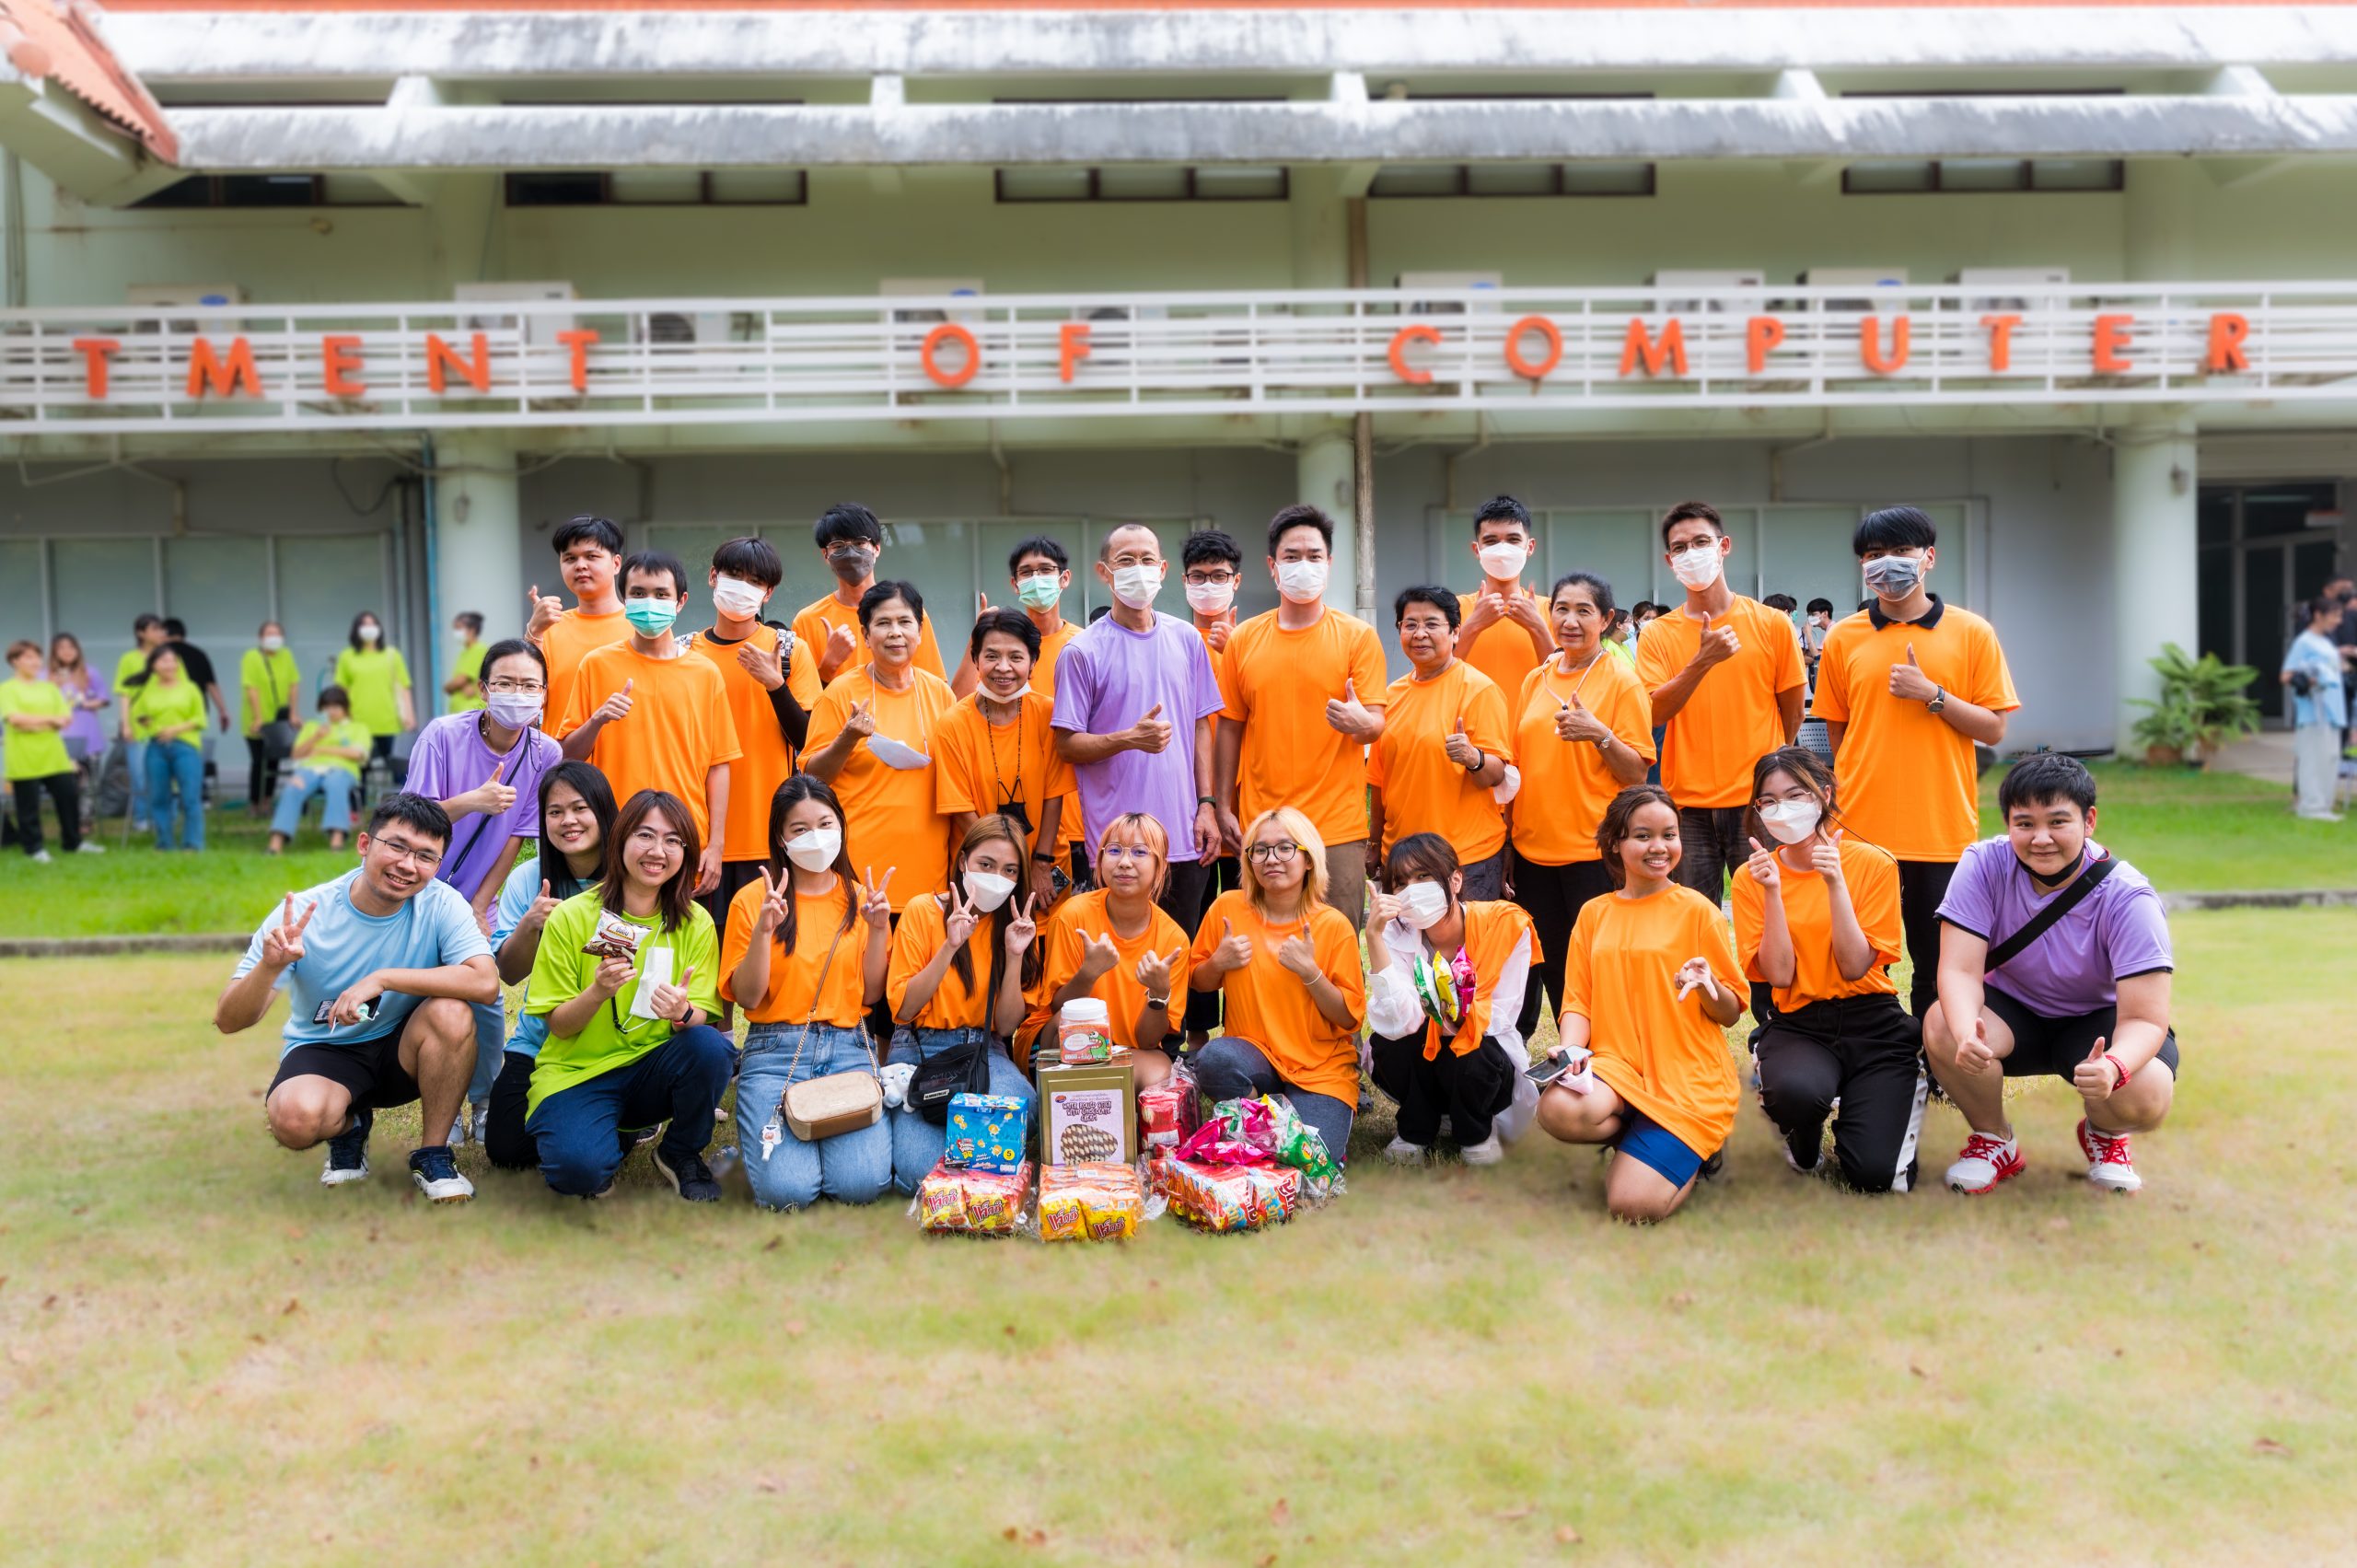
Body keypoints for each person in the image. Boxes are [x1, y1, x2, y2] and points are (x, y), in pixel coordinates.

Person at [216, 794, 497, 1202]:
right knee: (294, 1121)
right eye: (397, 846)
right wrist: (269, 967)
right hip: (326, 1048)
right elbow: (228, 1020)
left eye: (425, 856)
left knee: (452, 1012)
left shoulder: (441, 902)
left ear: (437, 866)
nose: (408, 865)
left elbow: (485, 982)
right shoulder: (305, 913)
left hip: (403, 1050)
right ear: (365, 844)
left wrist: (383, 979)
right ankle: (351, 1127)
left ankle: (434, 1154)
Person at [1922, 755, 2179, 1196]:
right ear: (2008, 824)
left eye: (2058, 822)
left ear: (2089, 820)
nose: (2041, 838)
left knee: (2147, 1092)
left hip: (2095, 1024)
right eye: (2025, 824)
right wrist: (1966, 1034)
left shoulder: (2129, 896)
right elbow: (1960, 971)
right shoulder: (1982, 864)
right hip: (2011, 1013)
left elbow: (2145, 1018)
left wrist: (2115, 1066)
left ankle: (2105, 1133)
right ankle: (1994, 1139)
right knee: (1943, 1023)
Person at [1815, 505, 2019, 1024]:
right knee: (1859, 960)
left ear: (1929, 557)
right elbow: (1839, 732)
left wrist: (1933, 695)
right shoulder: (1843, 637)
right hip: (1861, 829)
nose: (1888, 563)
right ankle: (1872, 1050)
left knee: (1938, 963)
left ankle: (1937, 1052)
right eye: (1874, 554)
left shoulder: (1972, 632)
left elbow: (1994, 728)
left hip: (1939, 828)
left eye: (1901, 551)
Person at [1530, 784, 1746, 1223]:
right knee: (1555, 1109)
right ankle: (1642, 1136)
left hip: (1685, 1076)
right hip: (1618, 1069)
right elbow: (1578, 1001)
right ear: (1615, 842)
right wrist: (1571, 1050)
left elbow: (1730, 1012)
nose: (1659, 847)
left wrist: (1708, 987)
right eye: (1643, 836)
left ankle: (1697, 1148)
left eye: (1669, 835)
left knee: (1632, 1208)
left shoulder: (1698, 911)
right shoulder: (1594, 914)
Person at [522, 789, 732, 1201]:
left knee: (711, 1047)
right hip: (579, 1073)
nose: (657, 851)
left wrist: (682, 1012)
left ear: (685, 853)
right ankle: (605, 1131)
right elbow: (559, 1026)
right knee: (578, 1174)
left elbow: (699, 1020)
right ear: (619, 841)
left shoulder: (696, 923)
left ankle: (680, 1152)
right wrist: (597, 992)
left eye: (673, 840)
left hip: (653, 1068)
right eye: (645, 836)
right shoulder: (571, 916)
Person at [1731, 747, 1921, 1191]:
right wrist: (1773, 891)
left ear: (1824, 795)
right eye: (1768, 801)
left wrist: (1835, 882)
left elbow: (1855, 966)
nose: (1782, 809)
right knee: (1796, 1094)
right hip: (1800, 1023)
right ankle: (1803, 1133)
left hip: (1873, 1022)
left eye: (1795, 795)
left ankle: (1884, 1099)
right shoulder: (1750, 878)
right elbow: (1779, 976)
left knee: (1873, 1176)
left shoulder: (1874, 863)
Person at [406, 636, 567, 1143]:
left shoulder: (545, 752)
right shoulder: (441, 736)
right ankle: (439, 1101)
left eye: (529, 685)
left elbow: (518, 833)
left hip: (477, 896)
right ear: (483, 689)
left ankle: (484, 1102)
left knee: (486, 994)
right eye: (506, 683)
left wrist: (480, 904)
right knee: (418, 997)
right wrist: (472, 801)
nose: (518, 694)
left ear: (544, 693)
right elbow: (412, 821)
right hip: (418, 888)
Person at [723, 773, 896, 1211]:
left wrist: (879, 929)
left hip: (849, 1048)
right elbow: (747, 998)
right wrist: (764, 931)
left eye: (824, 824)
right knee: (789, 1193)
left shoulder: (862, 899)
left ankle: (806, 1152)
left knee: (862, 1187)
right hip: (775, 1051)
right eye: (799, 829)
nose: (815, 837)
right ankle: (770, 1154)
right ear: (781, 839)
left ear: (840, 826)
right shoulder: (752, 900)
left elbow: (872, 995)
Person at [1213, 505, 1387, 925]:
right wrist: (1222, 806)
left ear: (1329, 564)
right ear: (1272, 566)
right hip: (1262, 828)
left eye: (1314, 556)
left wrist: (1362, 724)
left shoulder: (1358, 638)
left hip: (1335, 830)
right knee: (1260, 944)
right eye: (1292, 556)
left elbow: (1375, 723)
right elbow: (1230, 728)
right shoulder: (1243, 639)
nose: (1303, 565)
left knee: (1335, 946)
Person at [1052, 524, 1226, 935]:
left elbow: (1201, 726)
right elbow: (1066, 745)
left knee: (1179, 954)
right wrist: (1128, 739)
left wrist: (1206, 804)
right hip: (1118, 848)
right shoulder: (1081, 652)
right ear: (1104, 572)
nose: (1139, 569)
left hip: (1183, 839)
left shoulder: (1187, 639)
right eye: (1126, 560)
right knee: (1118, 958)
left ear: (1163, 569)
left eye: (1147, 560)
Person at [1634, 502, 1807, 900]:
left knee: (1772, 911)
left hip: (1760, 801)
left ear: (1723, 546)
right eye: (1680, 548)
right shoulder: (1658, 634)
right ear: (1669, 561)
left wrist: (1771, 767)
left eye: (1701, 542)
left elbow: (1793, 711)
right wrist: (1703, 661)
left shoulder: (1772, 624)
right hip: (1687, 806)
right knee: (1695, 917)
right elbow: (1654, 712)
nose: (1691, 553)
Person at [1508, 572, 1655, 1040]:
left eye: (1583, 611)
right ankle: (1574, 1056)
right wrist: (1508, 841)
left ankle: (1612, 1059)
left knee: (1599, 968)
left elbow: (1636, 773)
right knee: (1554, 966)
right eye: (1562, 610)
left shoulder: (1622, 681)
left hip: (1593, 854)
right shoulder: (1535, 680)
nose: (1570, 621)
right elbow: (1518, 767)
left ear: (1606, 619)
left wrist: (1599, 734)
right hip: (1533, 853)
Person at [1188, 807, 1367, 1160]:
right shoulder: (1228, 908)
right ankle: (1265, 1115)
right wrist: (1218, 962)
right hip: (1254, 1060)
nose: (1271, 859)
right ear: (1249, 859)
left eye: (1285, 848)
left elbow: (1349, 1018)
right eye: (1260, 849)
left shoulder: (1333, 925)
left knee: (1311, 1159)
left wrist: (1311, 974)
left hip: (1320, 1071)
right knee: (1214, 1058)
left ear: (1309, 859)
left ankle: (1269, 1123)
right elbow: (1199, 982)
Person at [557, 551, 741, 895]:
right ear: (625, 600)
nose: (649, 602)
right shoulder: (596, 664)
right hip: (613, 838)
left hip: (685, 839)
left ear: (680, 601)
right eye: (639, 593)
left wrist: (716, 845)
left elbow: (719, 765)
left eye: (661, 594)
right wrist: (597, 720)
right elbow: (566, 757)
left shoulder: (705, 673)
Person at [688, 535, 823, 982]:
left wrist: (775, 684)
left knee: (775, 960)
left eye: (755, 581)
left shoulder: (788, 650)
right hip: (700, 834)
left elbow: (807, 739)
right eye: (733, 575)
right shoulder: (684, 651)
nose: (742, 587)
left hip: (769, 833)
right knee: (705, 965)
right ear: (713, 577)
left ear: (768, 593)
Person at [883, 814, 1043, 1192]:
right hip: (920, 1049)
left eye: (1009, 870)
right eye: (986, 864)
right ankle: (979, 1162)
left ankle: (966, 1158)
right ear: (963, 861)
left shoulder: (1015, 924)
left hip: (983, 1051)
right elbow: (904, 1010)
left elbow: (1006, 1026)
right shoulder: (922, 910)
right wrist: (950, 946)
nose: (996, 877)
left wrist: (1014, 955)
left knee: (1025, 1106)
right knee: (918, 1171)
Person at [1364, 832, 1540, 1167]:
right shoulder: (1392, 932)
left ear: (1455, 880)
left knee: (1475, 1046)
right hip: (1422, 1058)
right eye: (1400, 883)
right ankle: (1416, 1129)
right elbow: (1398, 1021)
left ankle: (1477, 1132)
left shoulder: (1504, 925)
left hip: (1483, 1061)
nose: (1411, 890)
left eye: (1423, 876)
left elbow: (1502, 1014)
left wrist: (1449, 1015)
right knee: (1390, 1044)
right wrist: (1374, 936)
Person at [482, 761, 615, 1171]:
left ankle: (614, 1122)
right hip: (541, 1038)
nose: (567, 821)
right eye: (555, 812)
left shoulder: (629, 875)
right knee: (506, 1150)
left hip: (613, 1040)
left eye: (579, 808)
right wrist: (530, 925)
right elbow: (509, 973)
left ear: (603, 811)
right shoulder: (529, 878)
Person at [803, 580, 959, 926]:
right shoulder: (840, 693)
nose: (895, 633)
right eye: (883, 623)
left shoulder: (940, 694)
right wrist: (847, 738)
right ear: (865, 634)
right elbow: (811, 779)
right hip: (858, 880)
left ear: (920, 631)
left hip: (929, 881)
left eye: (905, 622)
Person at [1366, 586, 1515, 900]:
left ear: (1455, 632)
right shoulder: (1391, 695)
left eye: (1432, 624)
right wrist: (1375, 842)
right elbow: (1379, 782)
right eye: (1410, 624)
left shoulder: (1479, 690)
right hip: (1402, 861)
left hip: (1465, 860)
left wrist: (1473, 757)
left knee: (1467, 935)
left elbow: (1496, 775)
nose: (1420, 634)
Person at [1025, 811, 1191, 1083]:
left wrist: (1159, 995)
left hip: (1124, 1050)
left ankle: (1105, 1096)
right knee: (1076, 1026)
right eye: (1114, 850)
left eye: (1139, 852)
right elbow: (1058, 1010)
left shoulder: (1174, 939)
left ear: (1160, 867)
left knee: (1158, 1072)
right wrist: (1089, 972)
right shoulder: (1072, 916)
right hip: (1056, 1044)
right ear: (1100, 860)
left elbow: (1147, 1042)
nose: (1124, 862)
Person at [932, 609, 1074, 908]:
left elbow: (1054, 795)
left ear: (1033, 662)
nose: (1004, 668)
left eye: (1016, 657)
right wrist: (1004, 867)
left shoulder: (1049, 714)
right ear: (976, 660)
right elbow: (961, 809)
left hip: (1044, 865)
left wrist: (1040, 862)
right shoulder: (952, 724)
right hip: (981, 869)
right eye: (992, 656)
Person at [791, 503, 950, 687]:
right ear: (825, 554)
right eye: (838, 546)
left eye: (859, 543)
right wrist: (828, 666)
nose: (850, 553)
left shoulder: (908, 614)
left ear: (877, 548)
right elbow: (803, 699)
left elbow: (934, 689)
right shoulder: (807, 621)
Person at [525, 514, 633, 729]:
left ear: (616, 563)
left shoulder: (641, 626)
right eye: (570, 559)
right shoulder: (549, 629)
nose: (580, 565)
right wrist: (533, 632)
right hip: (562, 751)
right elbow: (527, 704)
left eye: (591, 556)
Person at [1455, 495, 1554, 699]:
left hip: (1531, 720)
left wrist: (1537, 627)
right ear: (1476, 549)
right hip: (1472, 720)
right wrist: (1473, 626)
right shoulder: (1453, 609)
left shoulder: (1553, 610)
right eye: (1490, 541)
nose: (1502, 550)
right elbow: (1438, 675)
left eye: (1513, 539)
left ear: (1530, 547)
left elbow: (1564, 678)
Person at [2, 640, 88, 862]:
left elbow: (65, 718)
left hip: (55, 755)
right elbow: (16, 720)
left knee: (68, 797)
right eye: (29, 657)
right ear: (15, 661)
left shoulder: (49, 688)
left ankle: (73, 842)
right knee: (28, 806)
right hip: (24, 756)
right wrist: (50, 720)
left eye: (37, 657)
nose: (35, 662)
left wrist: (35, 723)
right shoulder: (7, 689)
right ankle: (34, 848)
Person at [267, 684, 370, 854]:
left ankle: (337, 839)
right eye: (327, 707)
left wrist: (323, 749)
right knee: (293, 787)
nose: (331, 711)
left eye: (336, 707)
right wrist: (316, 737)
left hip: (342, 769)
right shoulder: (312, 726)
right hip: (310, 769)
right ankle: (276, 842)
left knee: (336, 784)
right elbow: (296, 754)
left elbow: (357, 754)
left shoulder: (358, 728)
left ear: (345, 707)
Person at [125, 645, 208, 852]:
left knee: (190, 797)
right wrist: (154, 728)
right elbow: (139, 715)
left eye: (173, 661)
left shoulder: (190, 688)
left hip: (185, 746)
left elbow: (200, 719)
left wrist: (175, 729)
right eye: (164, 661)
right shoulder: (148, 690)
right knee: (159, 797)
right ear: (154, 665)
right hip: (156, 747)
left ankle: (192, 843)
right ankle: (164, 843)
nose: (169, 665)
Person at [2282, 594, 2348, 822]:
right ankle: (2311, 807)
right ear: (2318, 615)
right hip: (2313, 712)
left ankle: (2324, 806)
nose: (2338, 621)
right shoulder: (2304, 642)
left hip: (2332, 711)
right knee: (2313, 759)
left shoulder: (2326, 642)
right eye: (2335, 616)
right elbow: (2286, 675)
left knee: (2330, 758)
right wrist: (2308, 680)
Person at [333, 610, 415, 786]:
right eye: (364, 624)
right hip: (358, 722)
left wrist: (410, 715)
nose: (369, 628)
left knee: (399, 771)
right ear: (356, 629)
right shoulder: (347, 657)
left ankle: (404, 802)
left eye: (372, 624)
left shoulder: (391, 654)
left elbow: (404, 687)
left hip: (390, 722)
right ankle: (359, 802)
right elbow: (341, 691)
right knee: (358, 772)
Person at [1004, 535, 1084, 698]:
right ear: (1015, 584)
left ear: (1064, 578)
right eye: (1026, 572)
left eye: (1046, 569)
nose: (1036, 578)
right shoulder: (1003, 646)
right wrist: (978, 636)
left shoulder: (1084, 642)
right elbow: (963, 701)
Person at [239, 621, 300, 816]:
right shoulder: (252, 657)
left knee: (274, 761)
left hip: (279, 719)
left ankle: (267, 801)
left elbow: (293, 684)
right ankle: (254, 802)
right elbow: (251, 688)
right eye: (269, 633)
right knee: (259, 762)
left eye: (277, 633)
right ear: (261, 637)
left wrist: (293, 713)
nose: (273, 638)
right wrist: (258, 717)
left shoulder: (286, 655)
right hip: (257, 719)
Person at [115, 613, 167, 830]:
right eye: (154, 629)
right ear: (141, 633)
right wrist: (126, 723)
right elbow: (124, 693)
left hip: (164, 723)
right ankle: (142, 817)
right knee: (139, 774)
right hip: (138, 724)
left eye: (161, 629)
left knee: (162, 773)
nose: (160, 633)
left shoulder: (169, 658)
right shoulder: (129, 659)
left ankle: (162, 816)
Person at [46, 633, 110, 785]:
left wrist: (84, 703)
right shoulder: (45, 675)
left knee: (89, 781)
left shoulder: (90, 672)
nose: (67, 651)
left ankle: (89, 799)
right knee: (62, 782)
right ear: (54, 651)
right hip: (58, 732)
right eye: (61, 648)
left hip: (86, 730)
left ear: (78, 650)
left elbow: (103, 699)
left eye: (71, 647)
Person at [162, 617, 232, 737]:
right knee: (192, 740)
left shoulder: (159, 656)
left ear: (164, 633)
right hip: (197, 707)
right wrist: (222, 710)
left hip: (168, 707)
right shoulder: (199, 654)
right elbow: (211, 685)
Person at [1180, 529, 1244, 656]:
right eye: (1197, 576)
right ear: (1185, 581)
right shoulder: (1175, 641)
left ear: (1236, 581)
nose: (1208, 585)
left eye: (1219, 576)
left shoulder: (1251, 641)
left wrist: (1233, 649)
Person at [442, 611, 488, 714]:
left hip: (470, 710)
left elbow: (460, 680)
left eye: (459, 628)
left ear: (472, 630)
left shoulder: (478, 649)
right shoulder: (465, 652)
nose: (456, 633)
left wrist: (448, 687)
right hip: (460, 711)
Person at [1803, 598, 1837, 681]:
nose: (1810, 618)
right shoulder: (1830, 629)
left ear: (1825, 613)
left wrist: (1808, 634)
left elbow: (1817, 656)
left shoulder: (1833, 630)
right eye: (1809, 615)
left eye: (1813, 614)